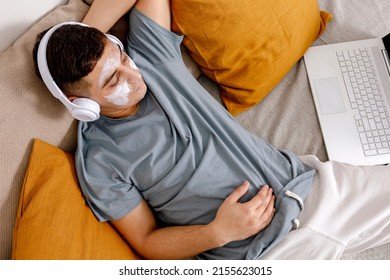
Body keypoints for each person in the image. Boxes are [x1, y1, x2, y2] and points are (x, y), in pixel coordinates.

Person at [32, 0, 390, 260]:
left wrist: (88, 31)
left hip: (314, 189)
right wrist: (217, 232)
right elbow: (145, 241)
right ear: (81, 105)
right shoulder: (100, 162)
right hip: (263, 257)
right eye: (112, 81)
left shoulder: (151, 58)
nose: (132, 75)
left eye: (121, 57)